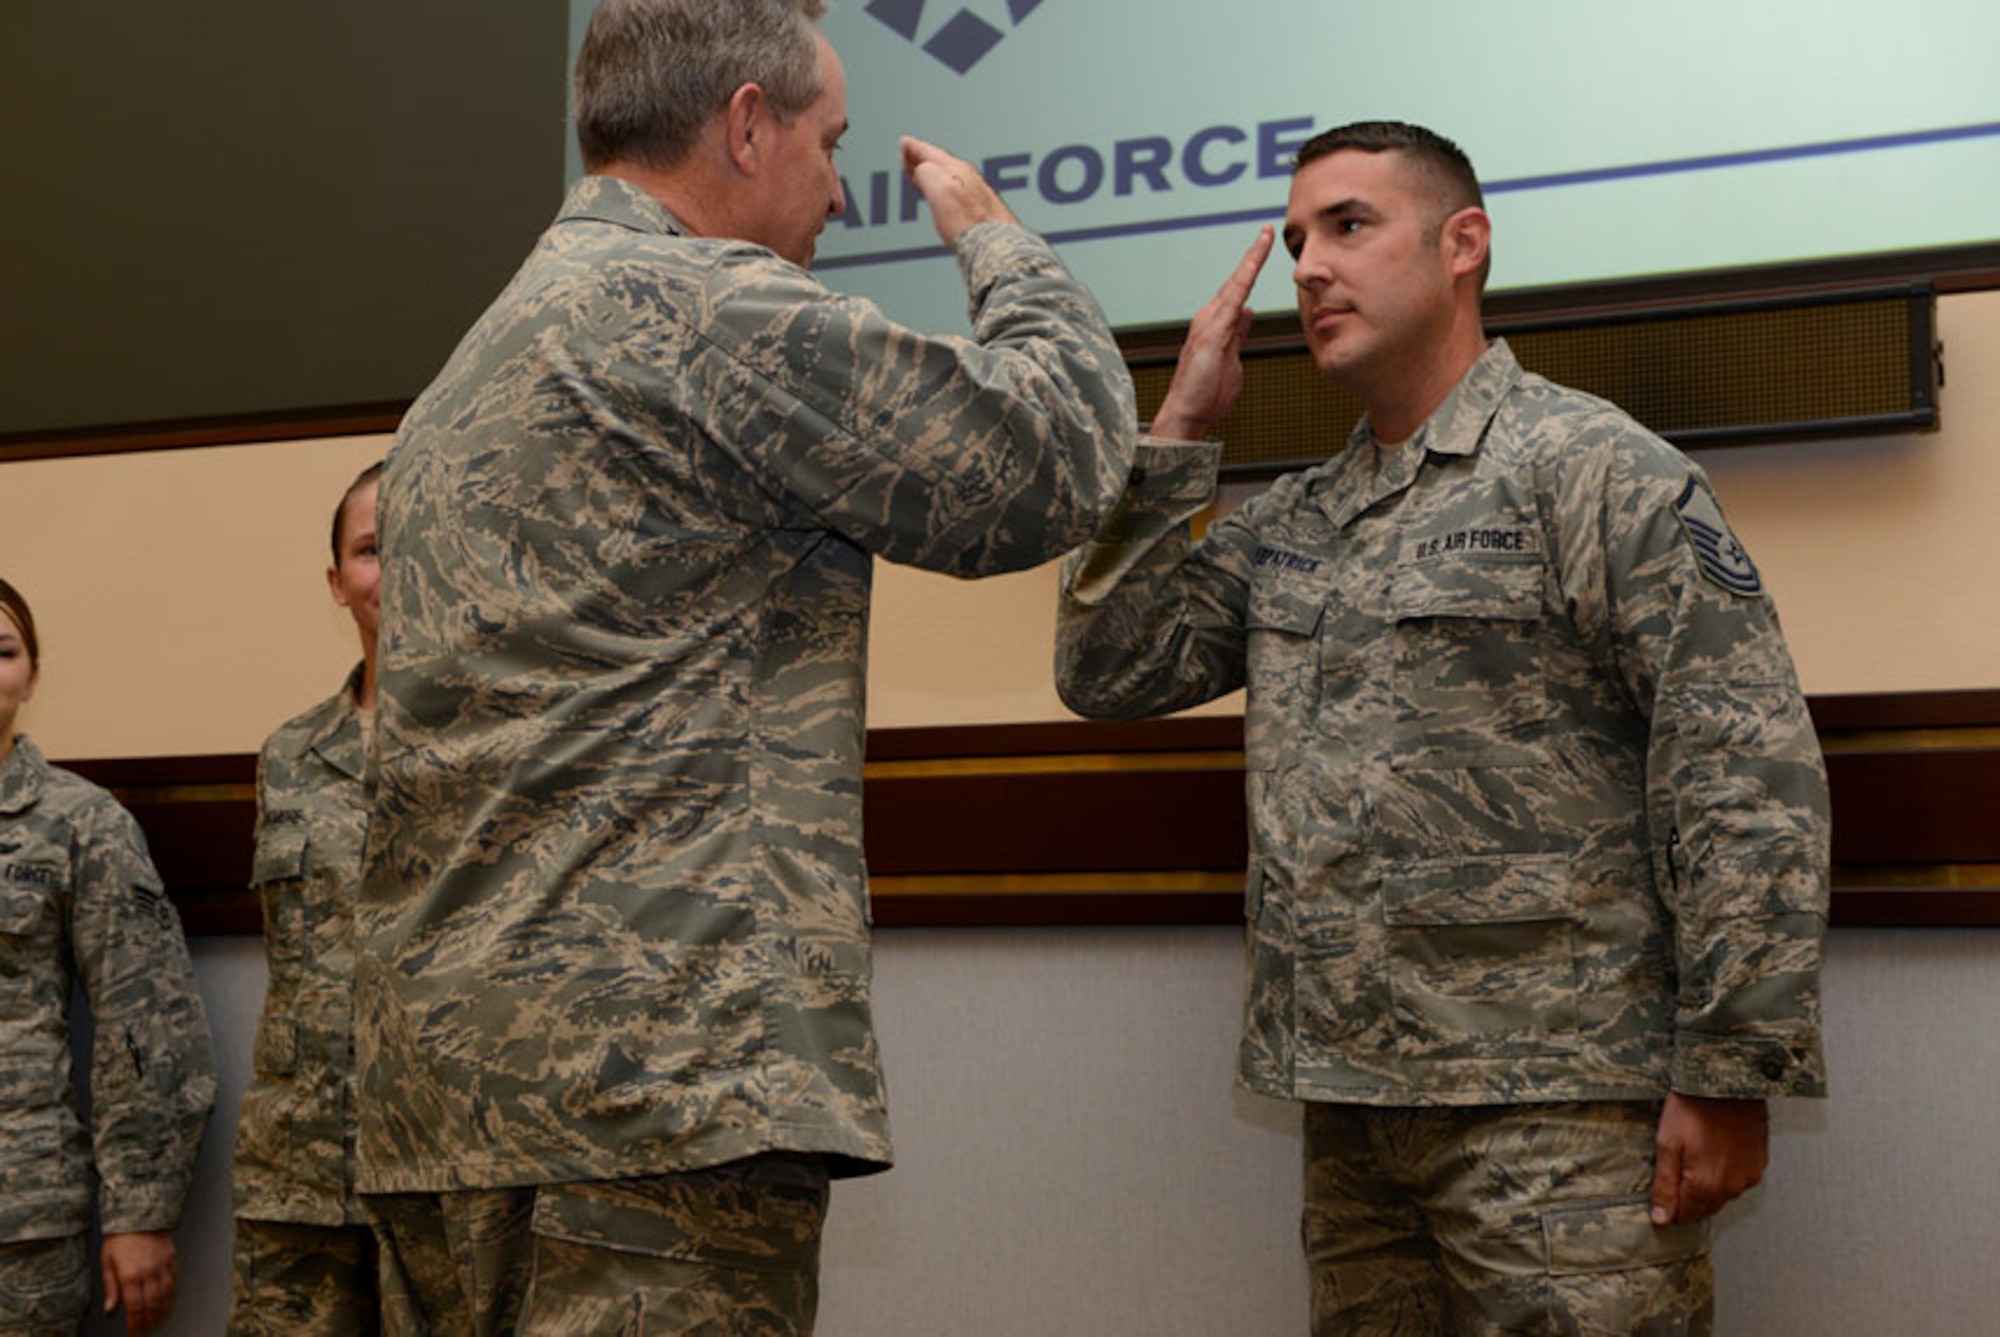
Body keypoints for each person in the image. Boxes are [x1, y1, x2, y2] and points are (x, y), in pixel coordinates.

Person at [355, 0, 1136, 1329]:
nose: (840, 190)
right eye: (830, 144)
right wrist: (997, 237)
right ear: (745, 125)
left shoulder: (462, 376)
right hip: (653, 1097)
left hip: (452, 1108)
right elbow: (1054, 458)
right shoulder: (702, 310)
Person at [1056, 121, 1829, 1333]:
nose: (1308, 266)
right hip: (1352, 1109)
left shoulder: (1590, 469)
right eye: (1297, 238)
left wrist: (1728, 1070)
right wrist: (1178, 435)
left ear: (1461, 243)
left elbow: (1740, 765)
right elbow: (1110, 665)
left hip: (1558, 1110)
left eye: (1348, 226)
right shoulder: (1305, 514)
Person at [0, 578, 216, 1335]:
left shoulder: (80, 823)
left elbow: (145, 1018)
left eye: (1, 650)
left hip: (17, 1225)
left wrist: (140, 1212)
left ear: (31, 673)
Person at [227, 463, 384, 1333]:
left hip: (446, 1177)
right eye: (369, 550)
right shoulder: (287, 753)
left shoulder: (503, 749)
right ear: (337, 581)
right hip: (298, 1173)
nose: (392, 570)